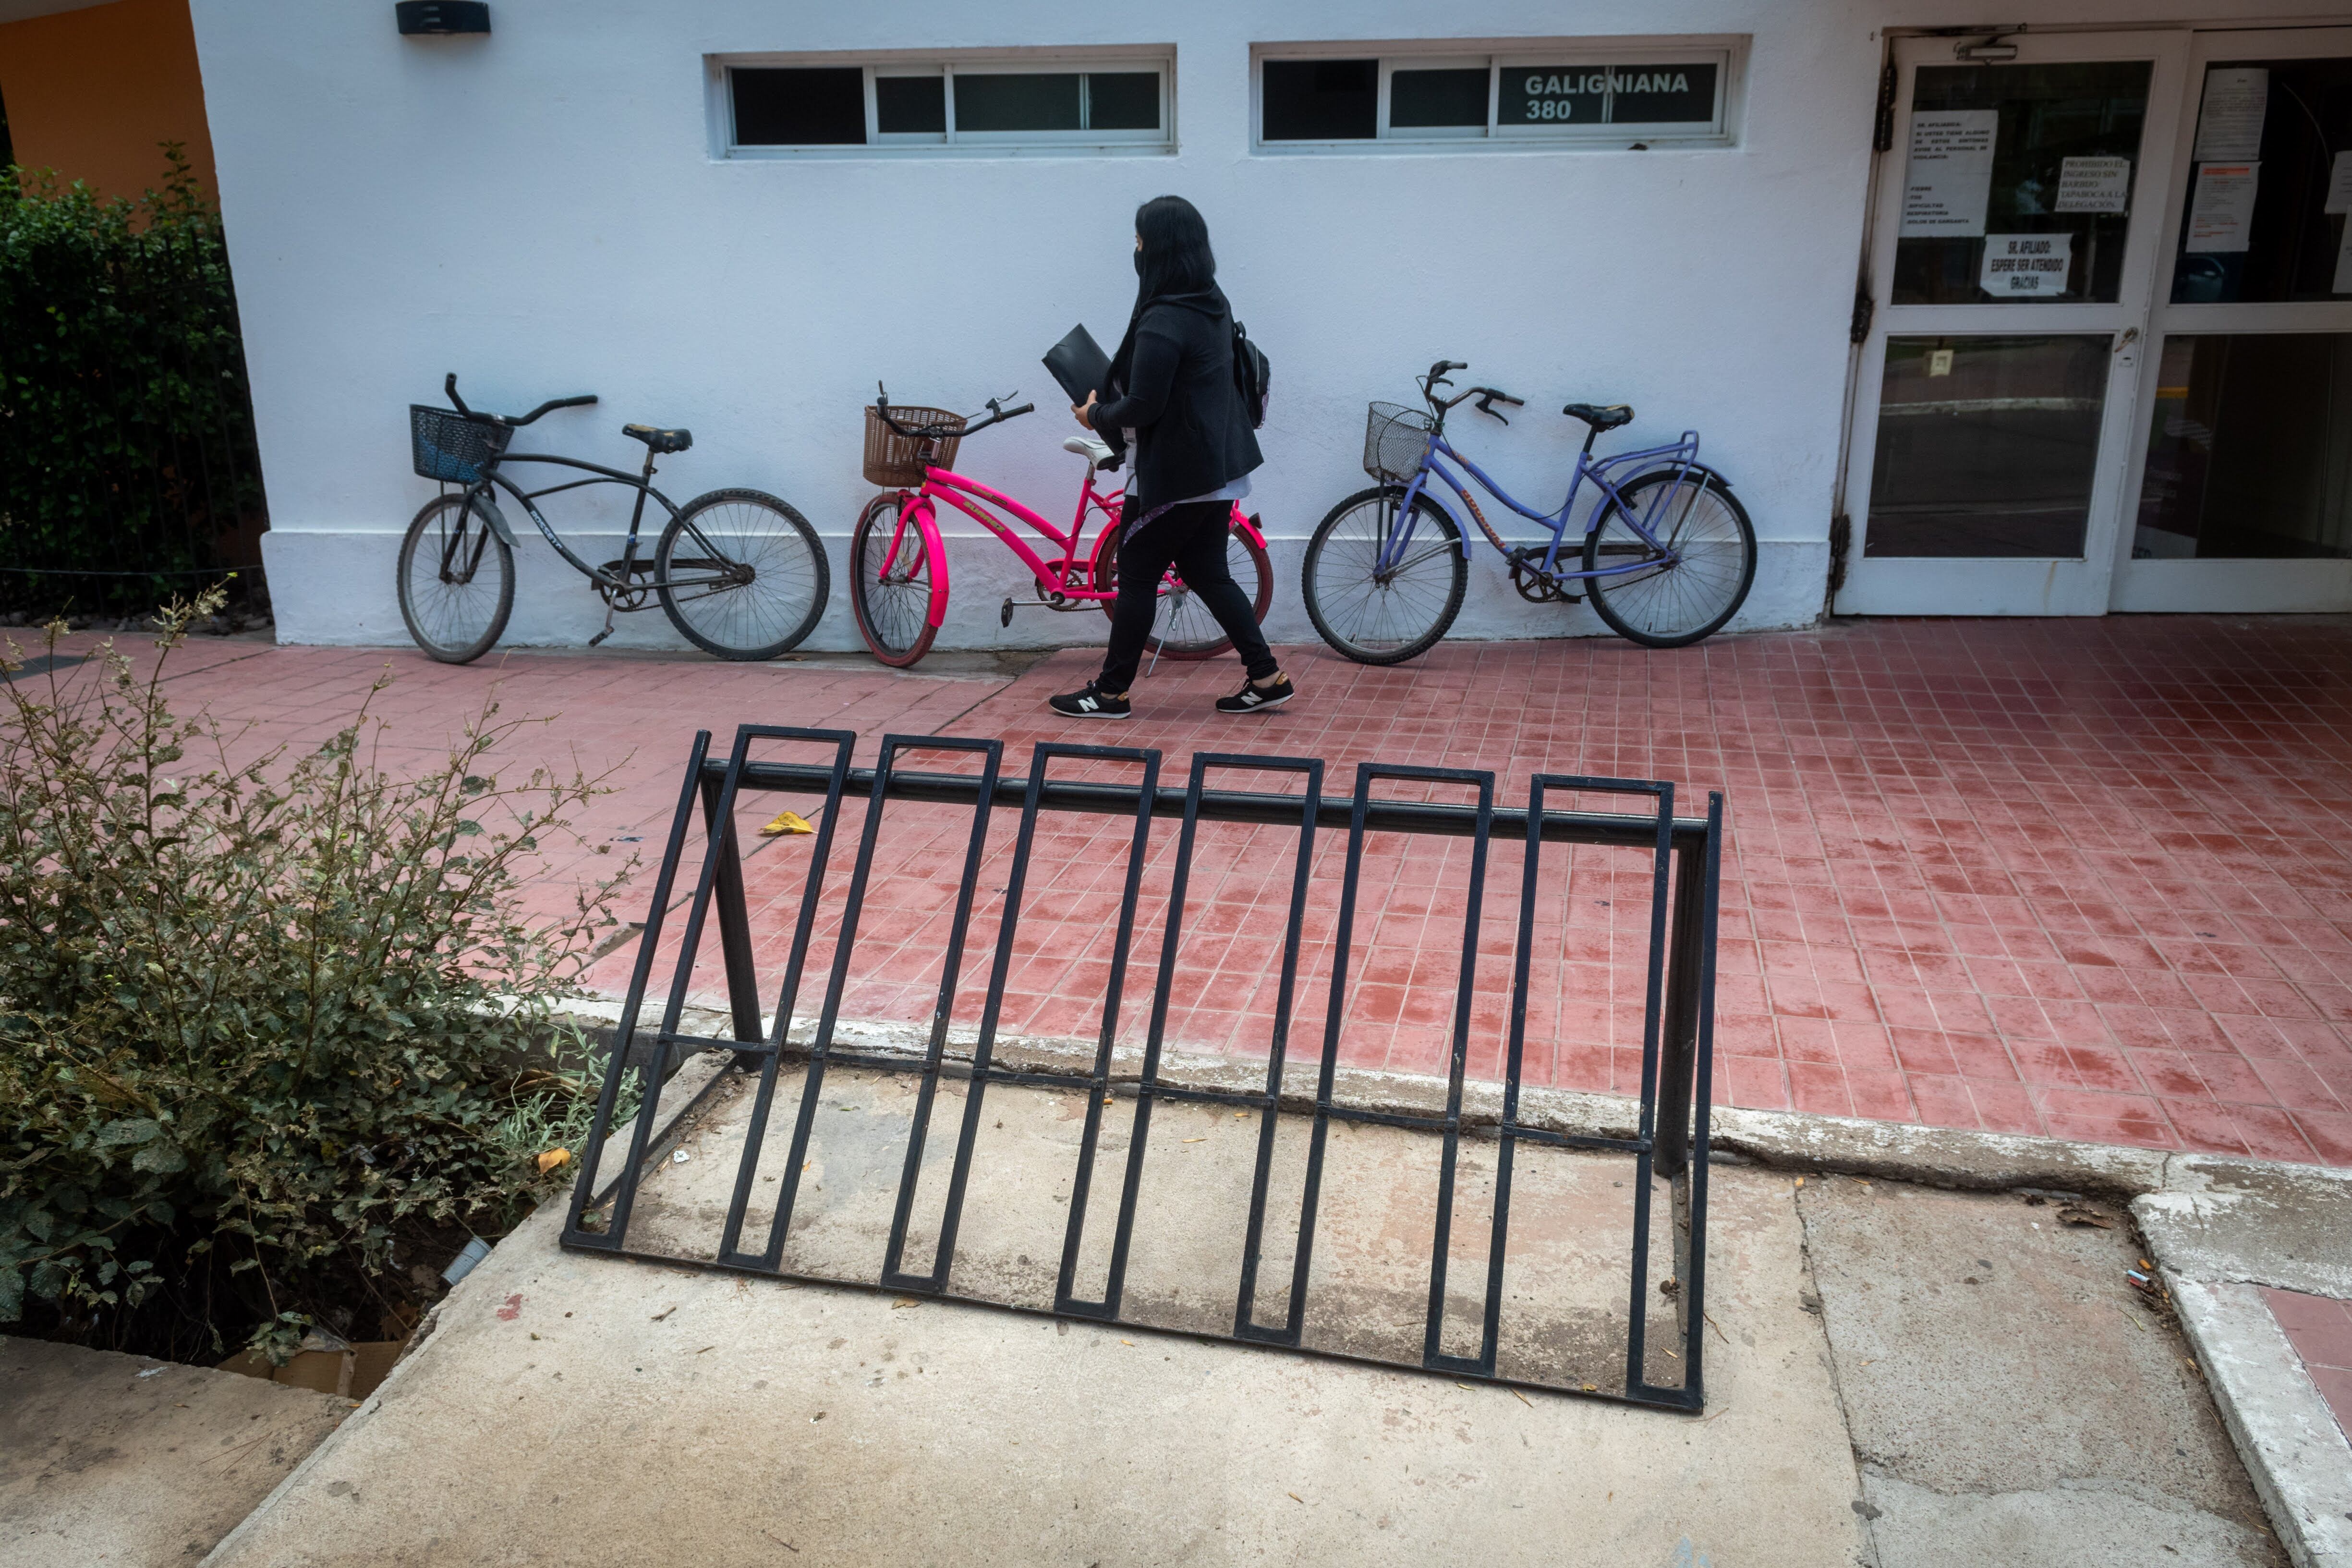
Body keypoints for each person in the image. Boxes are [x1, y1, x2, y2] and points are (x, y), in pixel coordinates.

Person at [1049, 196, 1293, 720]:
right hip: (1218, 470)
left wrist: (1094, 414)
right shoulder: (1209, 300)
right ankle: (1266, 676)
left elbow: (1145, 405)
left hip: (1177, 475)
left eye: (1138, 240)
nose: (1134, 249)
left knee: (1135, 575)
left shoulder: (1163, 318)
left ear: (1156, 249)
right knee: (1207, 571)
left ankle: (1110, 693)